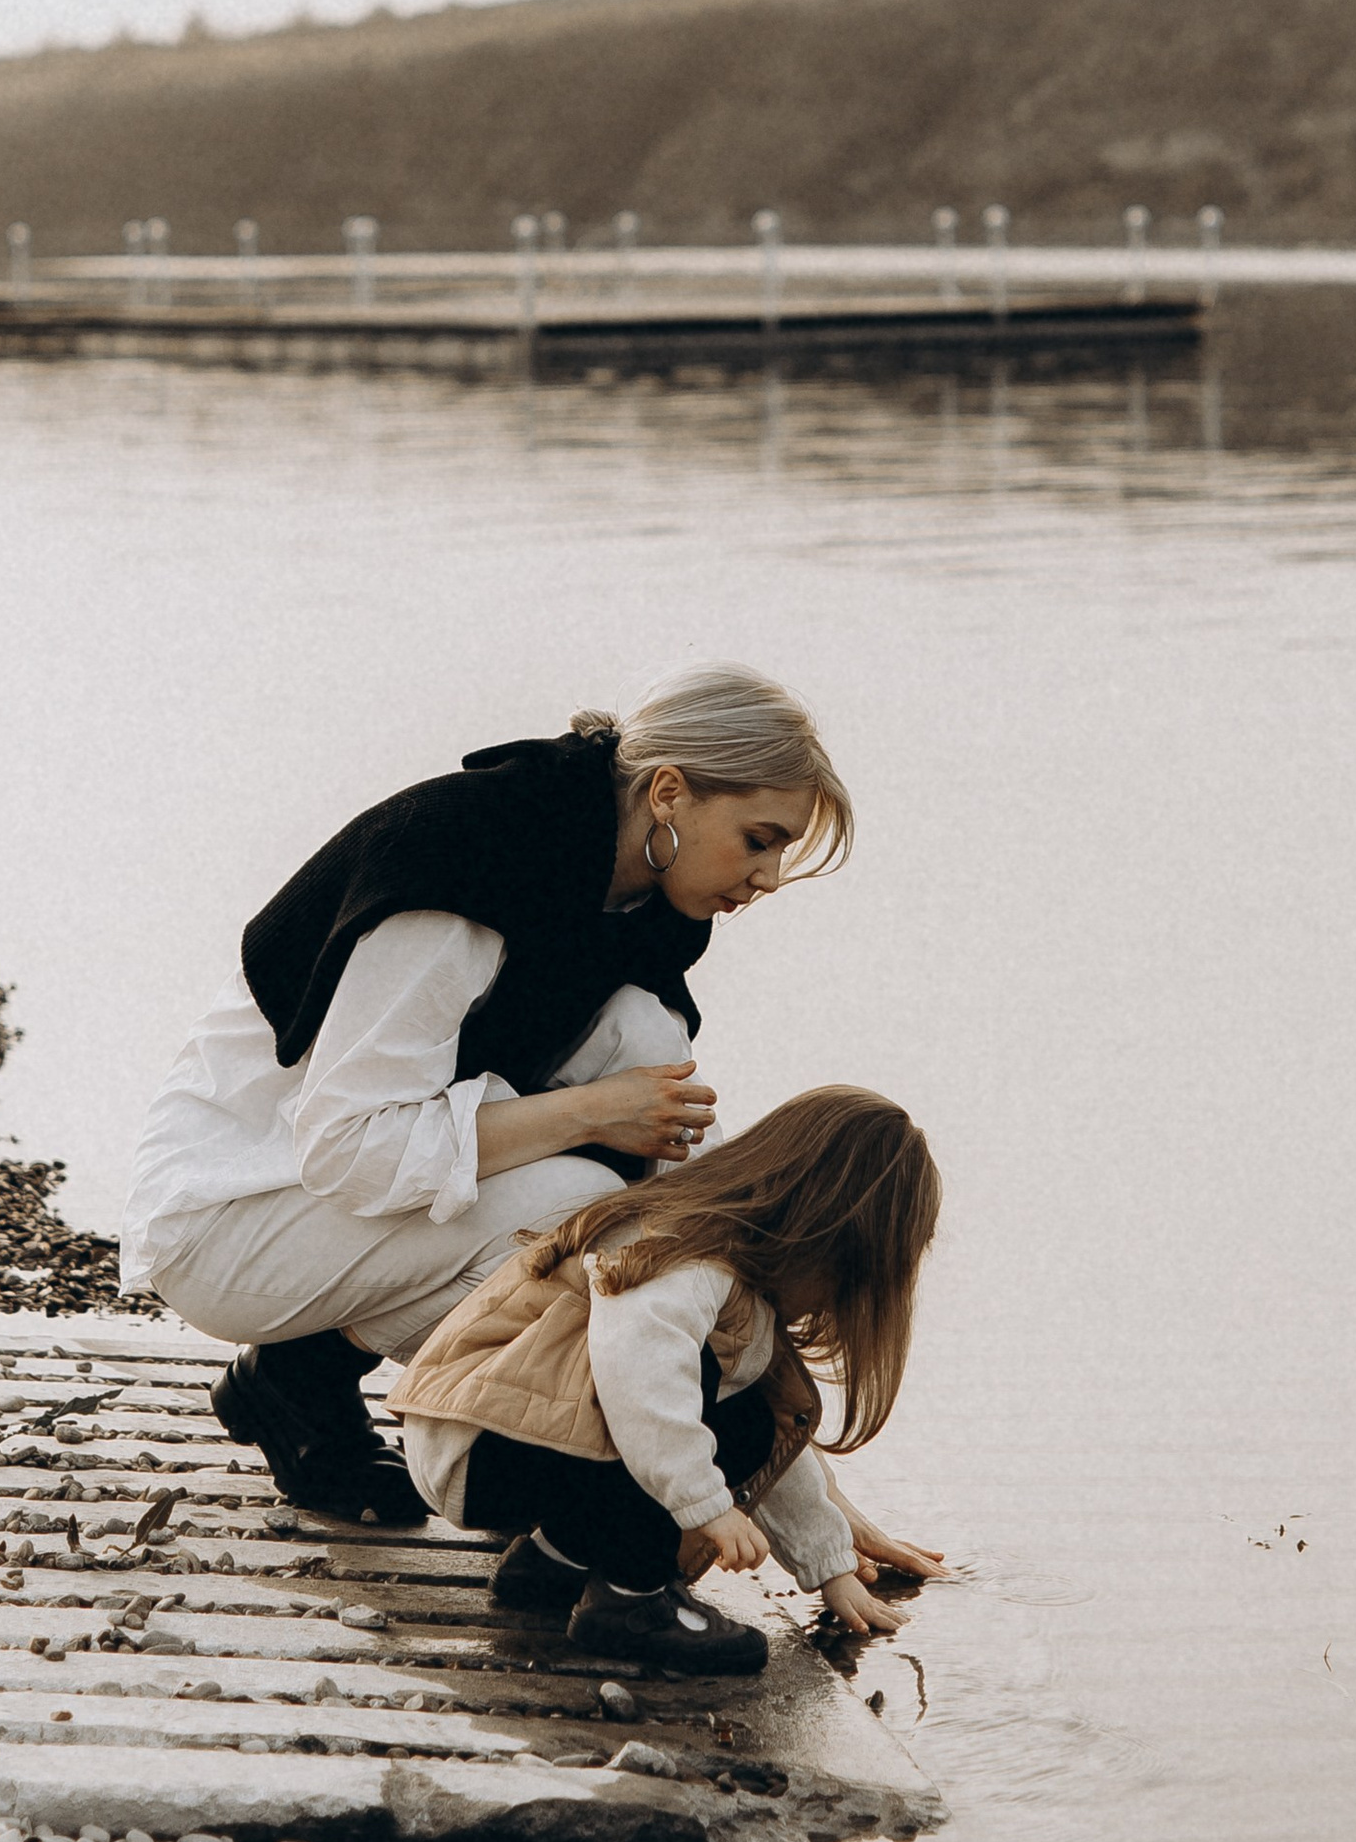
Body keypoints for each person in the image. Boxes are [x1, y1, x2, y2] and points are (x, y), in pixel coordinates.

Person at [117, 668, 853, 1525]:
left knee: (638, 1215)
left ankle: (303, 1378)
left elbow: (691, 1198)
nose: (769, 877)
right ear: (667, 793)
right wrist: (590, 1113)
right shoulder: (468, 862)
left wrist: (805, 1489)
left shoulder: (637, 913)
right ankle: (527, 1479)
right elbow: (348, 1145)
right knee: (581, 1207)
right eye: (759, 839)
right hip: (227, 1215)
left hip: (335, 1211)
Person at [392, 1086, 943, 1672]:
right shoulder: (688, 1251)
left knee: (750, 1420)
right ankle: (632, 1600)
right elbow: (641, 1374)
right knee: (682, 1377)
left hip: (499, 1438)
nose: (830, 1306)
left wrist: (830, 1567)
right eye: (844, 1283)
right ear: (821, 1238)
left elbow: (775, 1457)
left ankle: (553, 1566)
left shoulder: (736, 1275)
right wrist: (706, 1505)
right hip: (480, 1447)